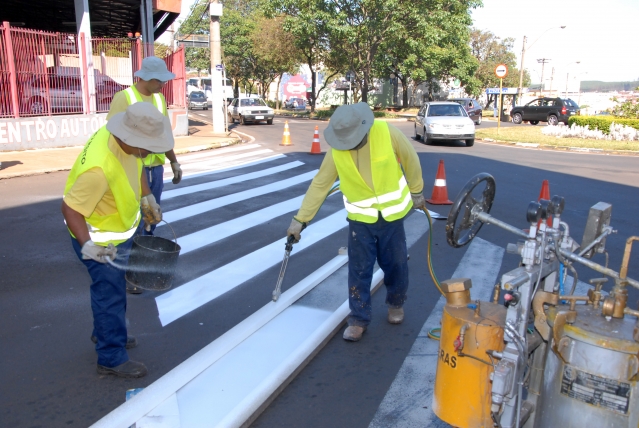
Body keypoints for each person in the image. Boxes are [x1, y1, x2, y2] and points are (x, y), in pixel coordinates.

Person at [286, 103, 425, 342]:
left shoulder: (386, 132)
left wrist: (417, 190)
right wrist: (300, 220)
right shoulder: (337, 149)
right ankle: (359, 318)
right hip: (360, 220)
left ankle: (395, 303)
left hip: (391, 217)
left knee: (396, 264)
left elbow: (410, 158)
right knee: (359, 270)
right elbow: (320, 184)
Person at [61, 102, 173, 378]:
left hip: (115, 233)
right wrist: (89, 247)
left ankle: (108, 332)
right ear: (129, 138)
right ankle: (111, 356)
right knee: (109, 296)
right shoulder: (99, 170)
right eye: (146, 147)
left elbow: (136, 167)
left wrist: (147, 198)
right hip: (99, 241)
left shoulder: (122, 139)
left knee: (112, 293)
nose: (148, 153)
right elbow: (70, 209)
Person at [107, 56, 182, 234]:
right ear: (146, 77)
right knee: (135, 217)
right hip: (133, 167)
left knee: (152, 217)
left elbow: (162, 135)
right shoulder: (124, 97)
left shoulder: (159, 99)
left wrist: (174, 161)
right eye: (158, 80)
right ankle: (134, 252)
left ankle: (146, 249)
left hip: (155, 168)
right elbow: (113, 134)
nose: (162, 84)